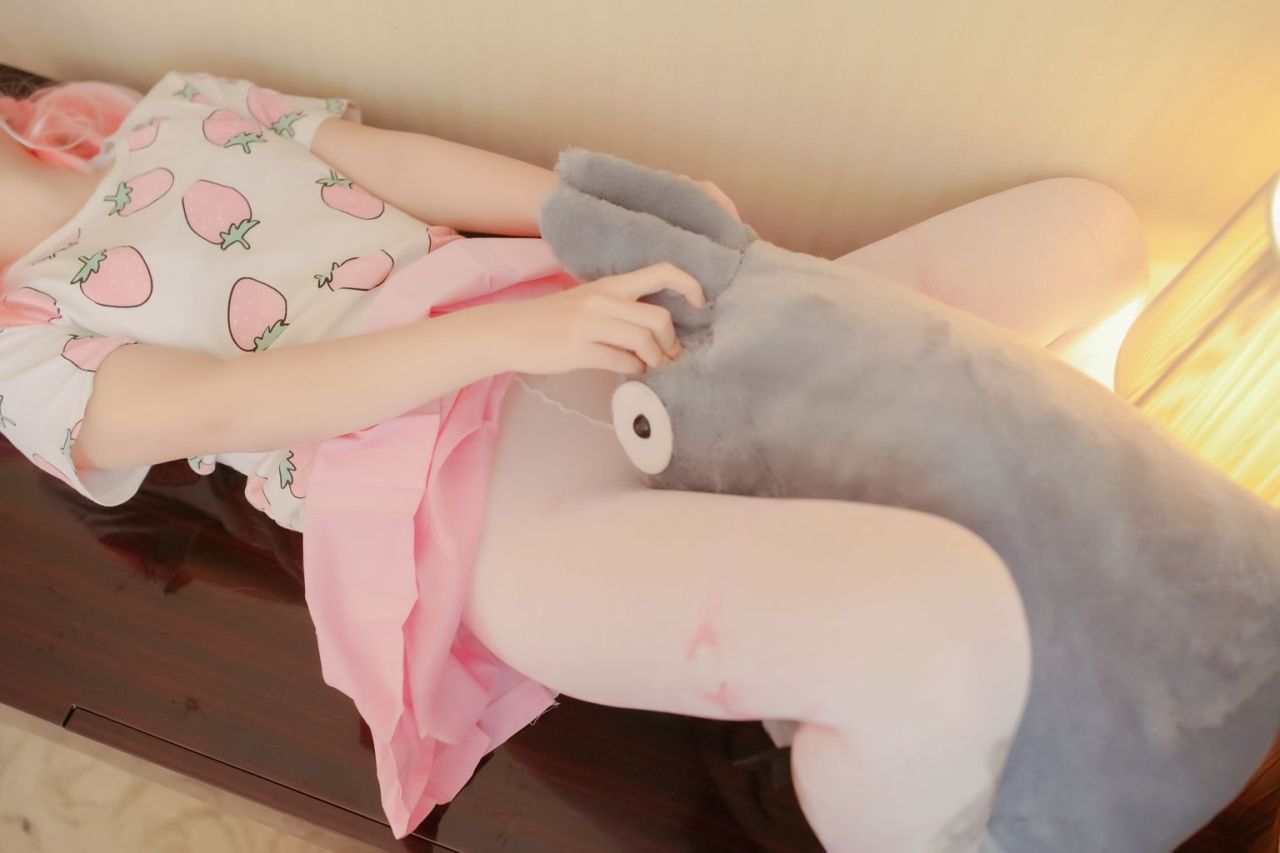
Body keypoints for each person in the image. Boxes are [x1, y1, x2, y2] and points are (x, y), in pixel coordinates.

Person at [0, 67, 1148, 851]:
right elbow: (225, 402)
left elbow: (399, 165)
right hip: (477, 509)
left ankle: (992, 534)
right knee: (918, 634)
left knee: (1088, 233)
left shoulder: (172, 113)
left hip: (617, 334)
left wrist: (618, 217)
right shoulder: (24, 340)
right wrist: (507, 336)